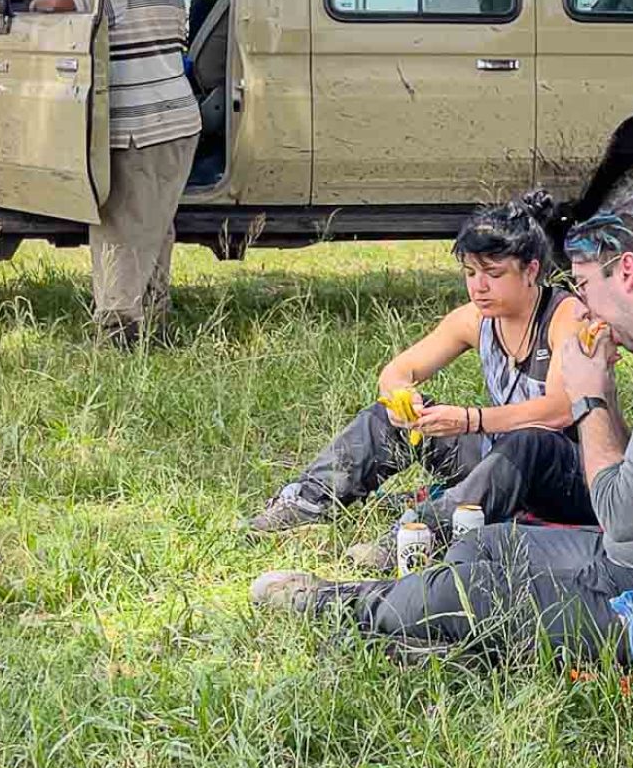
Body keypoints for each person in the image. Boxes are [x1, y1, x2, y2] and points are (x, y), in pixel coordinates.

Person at [250, 191, 633, 664]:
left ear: (630, 271)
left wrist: (589, 395)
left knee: (481, 589)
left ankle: (341, 604)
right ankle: (434, 628)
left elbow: (620, 512)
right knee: (486, 547)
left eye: (587, 288)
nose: (588, 312)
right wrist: (604, 392)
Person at [247, 193, 595, 565]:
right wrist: (403, 401)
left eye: (493, 274)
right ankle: (308, 499)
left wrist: (468, 419)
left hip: (567, 472)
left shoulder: (564, 315)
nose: (479, 287)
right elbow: (399, 371)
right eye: (470, 273)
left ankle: (416, 534)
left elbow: (560, 410)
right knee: (387, 416)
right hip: (497, 454)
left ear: (530, 270)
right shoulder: (474, 319)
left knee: (528, 441)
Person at [29, 0, 200, 343]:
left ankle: (117, 331)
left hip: (141, 127)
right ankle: (154, 317)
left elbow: (52, 4)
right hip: (179, 121)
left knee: (119, 225)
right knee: (156, 223)